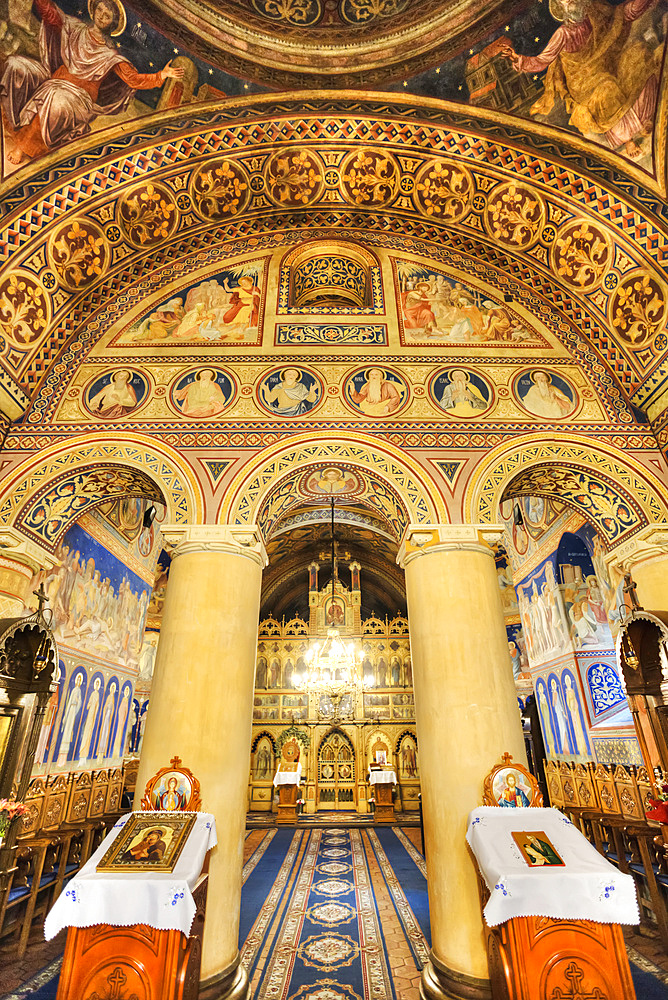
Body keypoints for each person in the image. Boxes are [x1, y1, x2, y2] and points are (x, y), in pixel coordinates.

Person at [1, 0, 185, 165]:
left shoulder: (109, 55)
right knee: (17, 65)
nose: (102, 16)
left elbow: (133, 79)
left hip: (78, 98)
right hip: (54, 80)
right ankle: (14, 119)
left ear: (111, 23)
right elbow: (52, 15)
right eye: (100, 10)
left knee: (54, 97)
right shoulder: (75, 29)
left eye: (107, 16)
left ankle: (24, 146)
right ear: (94, 9)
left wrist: (161, 75)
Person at [499, 0, 660, 158]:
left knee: (639, 54)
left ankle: (646, 117)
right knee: (607, 90)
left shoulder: (594, 11)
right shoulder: (563, 34)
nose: (572, 2)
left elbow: (621, 14)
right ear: (560, 8)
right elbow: (542, 60)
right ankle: (628, 139)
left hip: (608, 63)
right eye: (566, 2)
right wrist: (516, 58)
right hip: (583, 81)